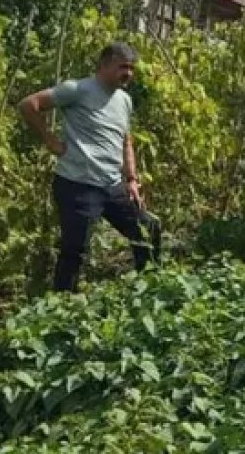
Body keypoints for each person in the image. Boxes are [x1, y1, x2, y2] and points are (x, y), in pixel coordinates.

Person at [17, 42, 155, 292]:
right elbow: (29, 104)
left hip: (112, 185)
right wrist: (51, 142)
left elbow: (126, 140)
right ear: (103, 65)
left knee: (147, 228)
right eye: (123, 67)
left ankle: (150, 288)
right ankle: (62, 307)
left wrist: (132, 179)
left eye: (132, 68)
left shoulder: (124, 100)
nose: (129, 73)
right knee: (74, 250)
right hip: (77, 185)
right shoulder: (78, 89)